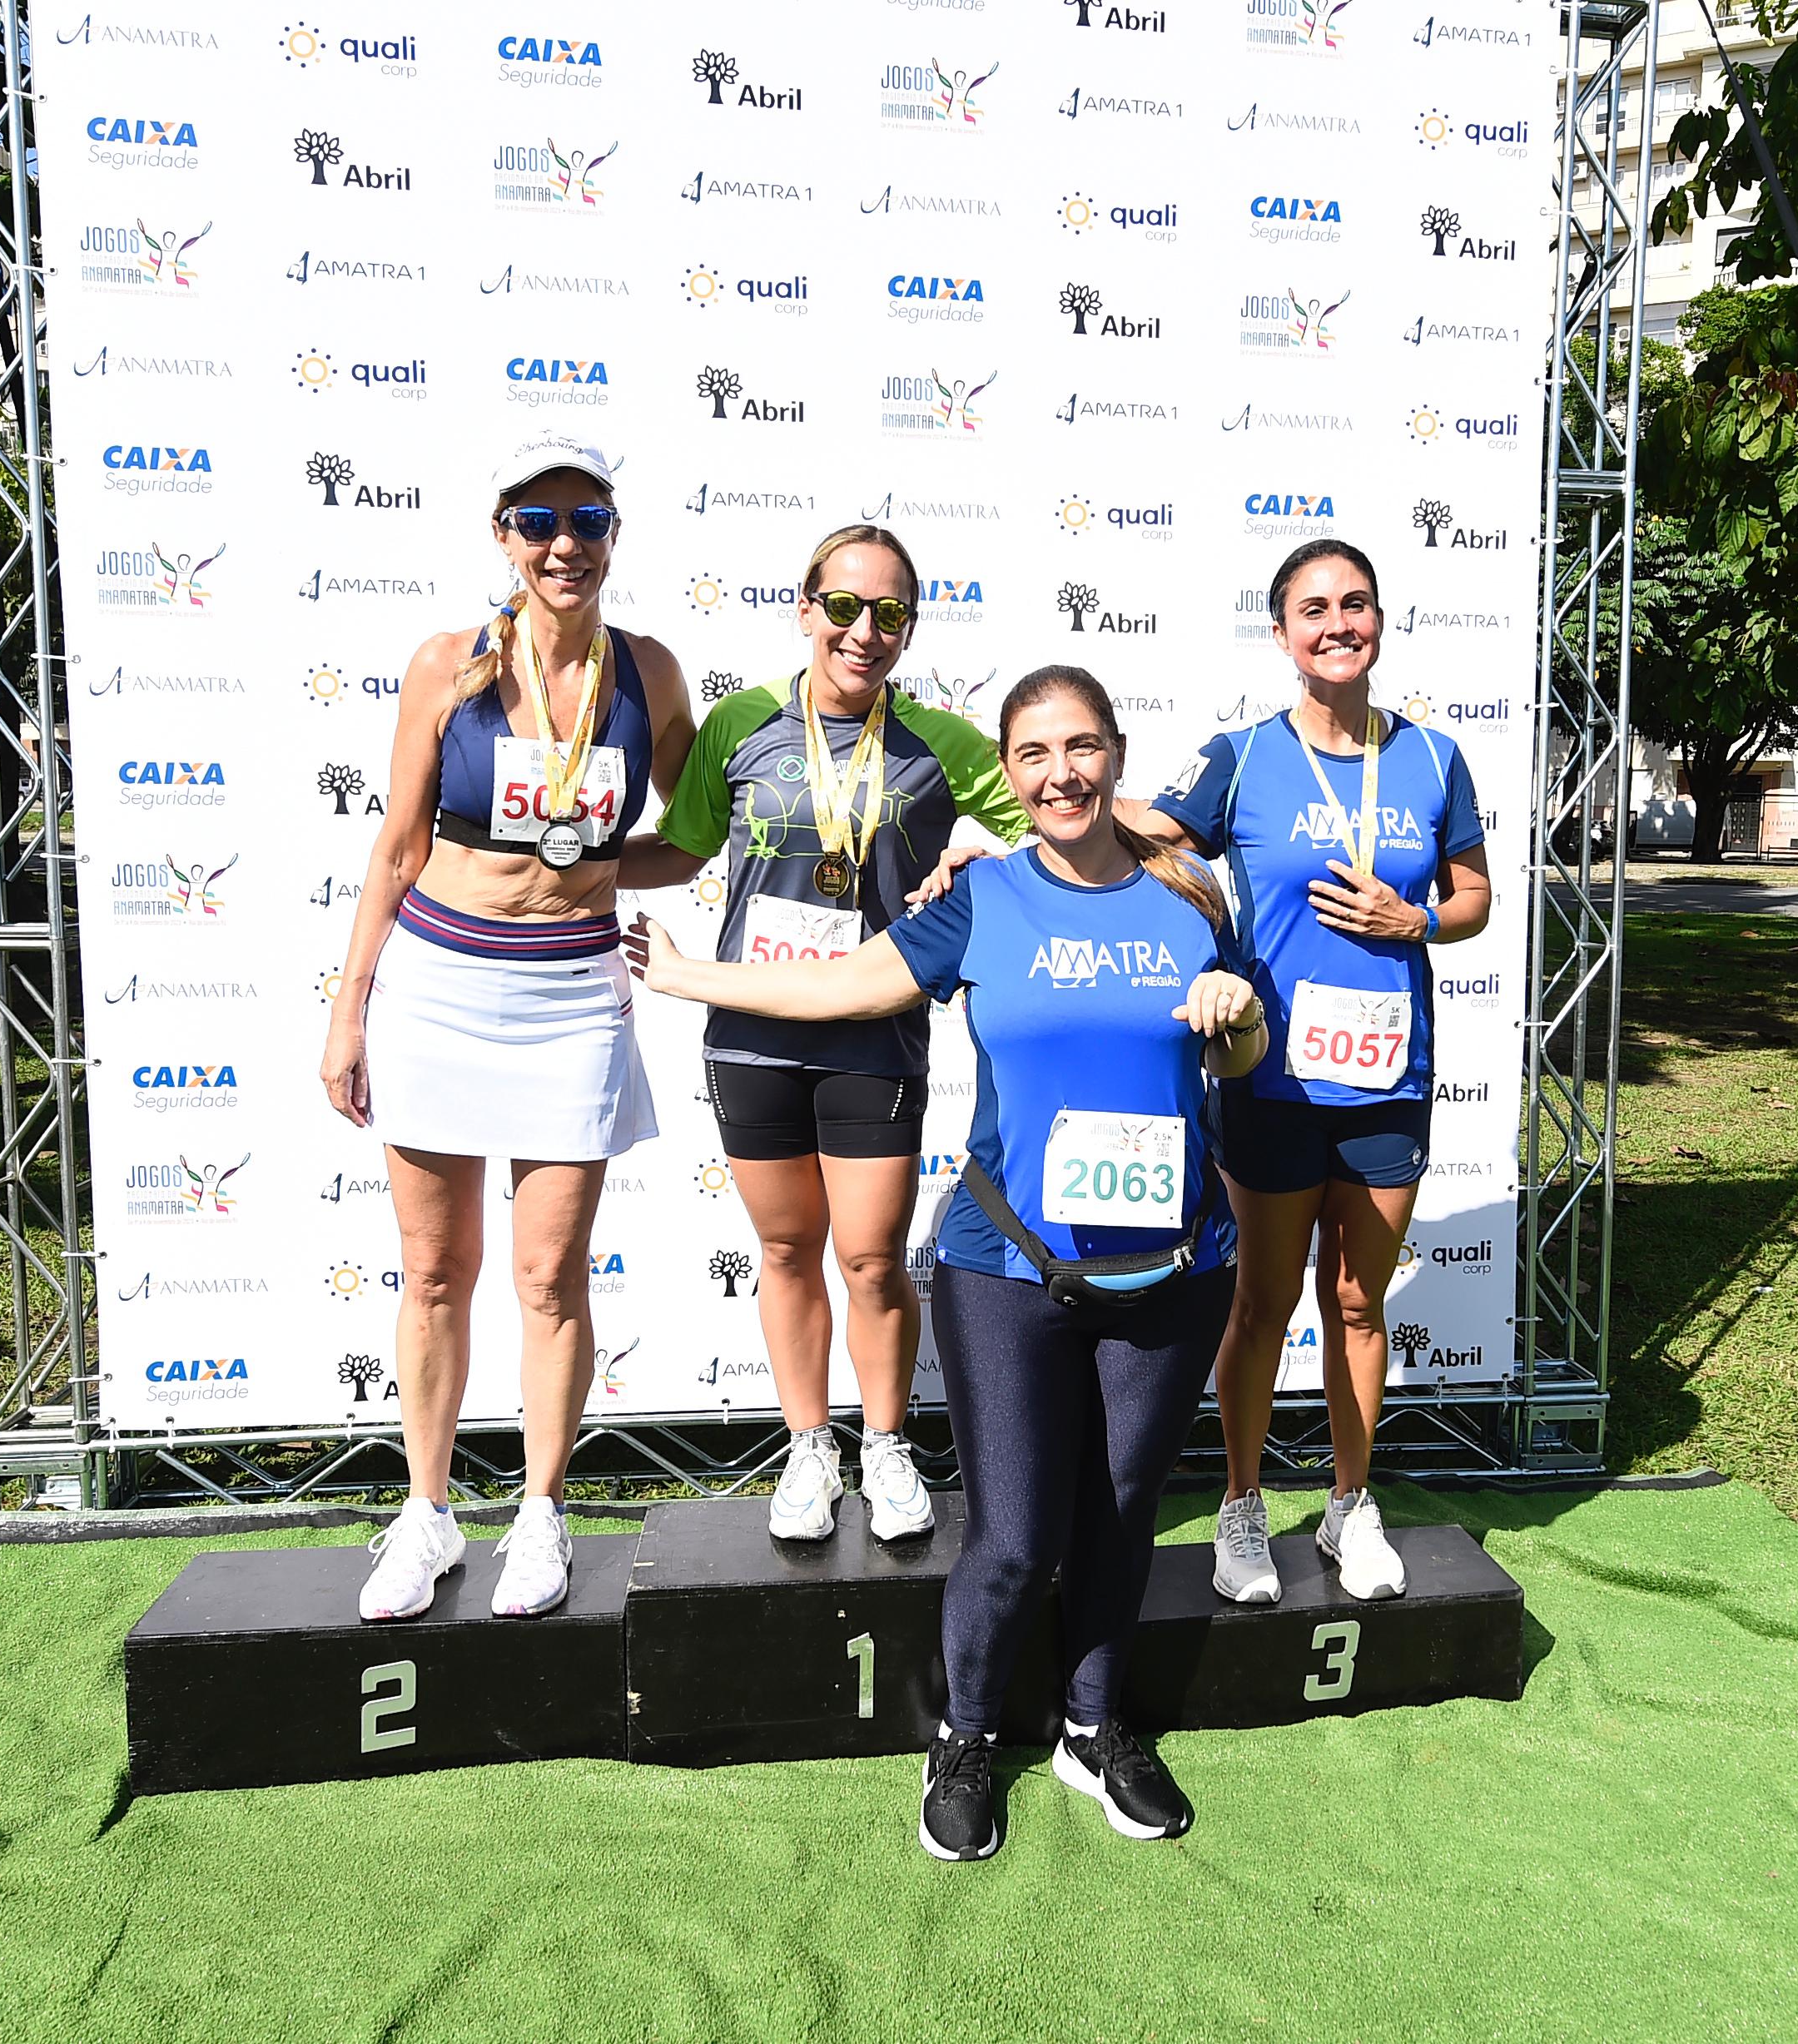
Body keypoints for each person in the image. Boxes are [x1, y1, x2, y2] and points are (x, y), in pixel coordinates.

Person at [628, 667, 1264, 1863]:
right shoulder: (983, 900)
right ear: (1011, 774)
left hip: (1176, 1273)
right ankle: (966, 1735)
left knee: (1124, 1520)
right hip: (1008, 1267)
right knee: (1018, 1537)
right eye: (1033, 754)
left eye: (1082, 748)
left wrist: (1236, 1017)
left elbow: (1241, 1052)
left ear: (1117, 755)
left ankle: (1093, 1726)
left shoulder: (1190, 892)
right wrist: (688, 975)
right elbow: (847, 987)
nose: (1060, 773)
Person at [318, 434, 694, 1624]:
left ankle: (540, 1515)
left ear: (614, 532)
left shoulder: (652, 675)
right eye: (537, 524)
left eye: (586, 518)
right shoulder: (448, 664)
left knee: (549, 1274)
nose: (563, 544)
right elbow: (395, 847)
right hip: (437, 984)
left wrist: (594, 860)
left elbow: (689, 833)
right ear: (503, 538)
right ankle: (426, 1514)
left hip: (571, 993)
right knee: (436, 1270)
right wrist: (348, 1009)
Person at [620, 526, 1026, 1543]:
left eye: (889, 613)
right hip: (751, 1031)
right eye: (843, 606)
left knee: (874, 1259)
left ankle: (886, 1443)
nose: (864, 630)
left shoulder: (946, 744)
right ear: (805, 608)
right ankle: (809, 1444)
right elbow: (684, 845)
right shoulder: (743, 721)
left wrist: (972, 863)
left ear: (910, 629)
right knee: (787, 1247)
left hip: (874, 1031)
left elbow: (1047, 833)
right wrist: (559, 867)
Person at [1130, 538, 1491, 1605]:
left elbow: (1472, 899)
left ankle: (1346, 1504)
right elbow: (1133, 836)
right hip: (1271, 1081)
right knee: (1261, 1300)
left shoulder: (1432, 758)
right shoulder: (1239, 757)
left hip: (1388, 1077)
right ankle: (1242, 1506)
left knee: (1358, 1303)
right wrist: (1002, 843)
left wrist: (1414, 916)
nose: (1339, 623)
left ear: (1380, 619)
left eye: (1358, 603)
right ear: (1281, 630)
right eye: (1314, 607)